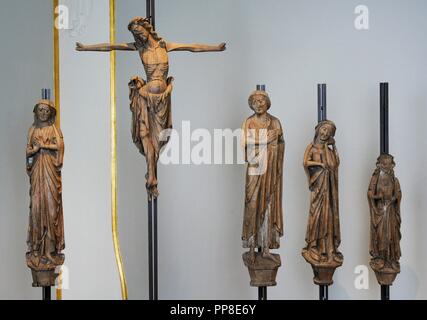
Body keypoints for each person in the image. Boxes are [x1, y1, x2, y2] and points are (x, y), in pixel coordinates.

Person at [77, 17, 226, 197]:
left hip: (162, 100)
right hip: (145, 98)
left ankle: (151, 175)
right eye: (135, 34)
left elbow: (192, 47)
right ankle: (152, 178)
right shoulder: (139, 48)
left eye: (140, 32)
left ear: (147, 29)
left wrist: (216, 48)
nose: (139, 36)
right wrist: (86, 47)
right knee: (146, 135)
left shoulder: (165, 46)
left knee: (158, 139)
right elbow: (111, 46)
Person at [241, 90, 284, 261]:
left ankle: (265, 248)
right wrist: (265, 138)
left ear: (267, 102)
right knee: (252, 205)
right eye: (255, 101)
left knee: (268, 206)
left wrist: (274, 145)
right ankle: (251, 247)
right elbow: (244, 141)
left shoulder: (275, 122)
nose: (258, 104)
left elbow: (281, 143)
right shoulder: (249, 122)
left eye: (261, 100)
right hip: (255, 168)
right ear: (251, 104)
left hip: (271, 169)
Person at [26, 100, 65, 279]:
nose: (43, 113)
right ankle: (35, 251)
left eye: (46, 110)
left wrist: (44, 146)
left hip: (50, 174)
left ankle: (49, 252)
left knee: (51, 212)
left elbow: (60, 148)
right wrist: (33, 151)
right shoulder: (32, 130)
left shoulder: (54, 130)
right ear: (36, 112)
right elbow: (27, 154)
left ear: (51, 113)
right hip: (37, 176)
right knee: (36, 211)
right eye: (40, 110)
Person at [302, 120, 343, 264]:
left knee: (329, 216)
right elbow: (305, 162)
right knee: (317, 215)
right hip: (318, 188)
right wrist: (320, 164)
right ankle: (313, 245)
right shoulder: (312, 147)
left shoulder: (329, 151)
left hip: (329, 189)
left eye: (329, 132)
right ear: (318, 129)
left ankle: (328, 248)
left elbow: (335, 164)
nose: (325, 133)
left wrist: (333, 147)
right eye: (324, 129)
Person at [368, 154, 402, 272]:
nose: (386, 167)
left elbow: (398, 192)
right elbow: (370, 193)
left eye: (389, 164)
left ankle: (391, 258)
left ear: (392, 165)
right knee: (381, 234)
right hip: (380, 211)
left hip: (391, 210)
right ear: (379, 165)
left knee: (391, 234)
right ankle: (381, 257)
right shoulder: (375, 178)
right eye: (384, 164)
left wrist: (394, 198)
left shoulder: (394, 179)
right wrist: (378, 196)